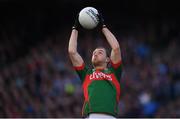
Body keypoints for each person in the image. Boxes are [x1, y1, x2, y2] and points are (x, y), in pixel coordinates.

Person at [68, 11, 123, 119]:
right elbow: (72, 52)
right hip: (91, 116)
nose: (96, 53)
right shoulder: (86, 73)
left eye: (100, 52)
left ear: (108, 60)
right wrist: (75, 28)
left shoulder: (114, 73)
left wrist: (103, 27)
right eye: (94, 53)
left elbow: (116, 48)